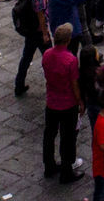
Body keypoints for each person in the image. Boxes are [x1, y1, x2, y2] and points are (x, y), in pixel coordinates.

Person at [42, 23, 85, 184]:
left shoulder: (46, 54)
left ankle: (49, 165)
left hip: (51, 102)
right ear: (67, 41)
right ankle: (67, 171)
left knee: (49, 135)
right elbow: (74, 84)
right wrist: (80, 101)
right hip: (67, 104)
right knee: (67, 139)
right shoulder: (71, 60)